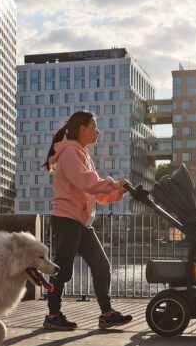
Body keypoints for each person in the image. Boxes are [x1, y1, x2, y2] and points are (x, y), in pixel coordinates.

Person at [41, 111, 133, 331]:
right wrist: (112, 183)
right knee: (62, 270)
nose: (97, 131)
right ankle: (53, 315)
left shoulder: (82, 153)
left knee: (101, 265)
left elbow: (94, 193)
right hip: (66, 219)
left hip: (80, 221)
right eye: (94, 126)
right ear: (81, 128)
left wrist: (117, 192)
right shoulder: (70, 153)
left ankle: (107, 314)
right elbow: (86, 182)